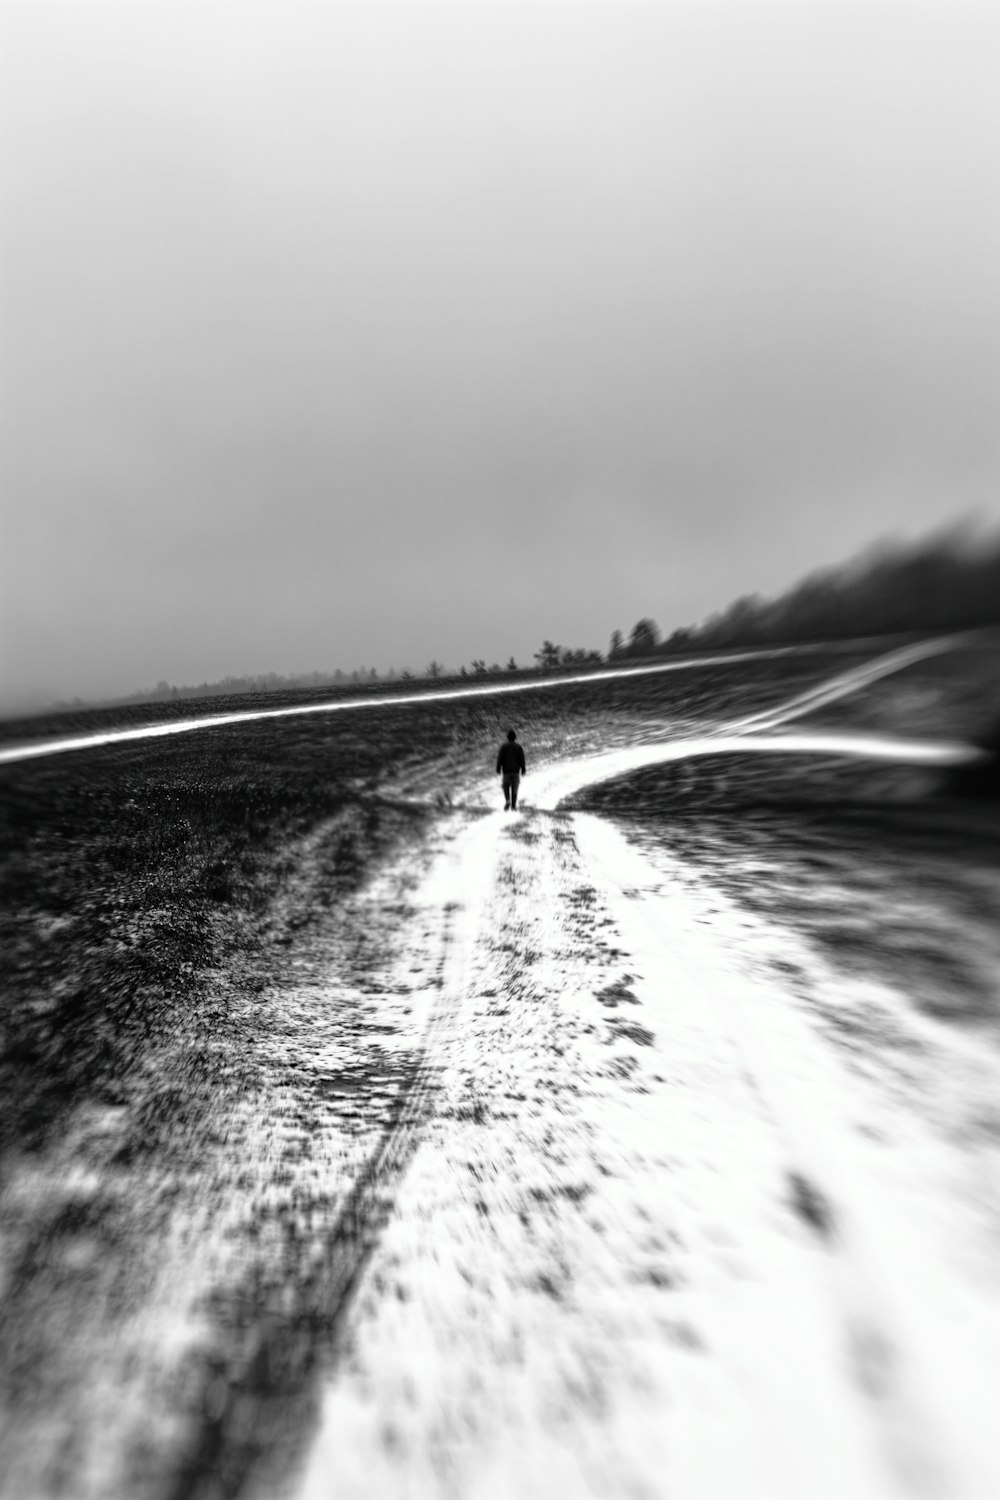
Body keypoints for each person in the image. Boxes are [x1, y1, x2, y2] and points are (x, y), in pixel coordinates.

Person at [496, 728, 526, 810]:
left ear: (508, 737)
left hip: (506, 771)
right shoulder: (518, 747)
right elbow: (521, 759)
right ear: (515, 738)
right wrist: (523, 768)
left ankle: (507, 800)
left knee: (505, 786)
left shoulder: (504, 746)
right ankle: (513, 806)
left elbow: (500, 758)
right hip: (516, 771)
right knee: (514, 788)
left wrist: (498, 768)